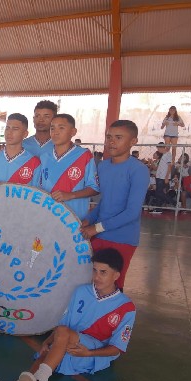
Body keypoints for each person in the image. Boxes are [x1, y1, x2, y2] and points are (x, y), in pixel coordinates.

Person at [0, 248, 135, 381]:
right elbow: (63, 324)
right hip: (69, 342)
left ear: (116, 275)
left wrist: (89, 354)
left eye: (103, 272)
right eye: (94, 270)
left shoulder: (126, 307)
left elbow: (117, 348)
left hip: (92, 352)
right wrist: (47, 341)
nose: (96, 277)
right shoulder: (81, 291)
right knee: (48, 352)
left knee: (58, 341)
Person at [80, 120, 149, 290]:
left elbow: (132, 212)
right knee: (91, 281)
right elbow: (105, 201)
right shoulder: (103, 166)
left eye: (118, 137)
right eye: (109, 137)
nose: (111, 141)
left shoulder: (138, 170)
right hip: (99, 235)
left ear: (133, 141)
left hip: (123, 238)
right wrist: (88, 220)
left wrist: (96, 228)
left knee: (113, 285)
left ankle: (112, 317)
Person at [38, 113, 99, 221]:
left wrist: (71, 195)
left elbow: (94, 188)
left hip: (74, 219)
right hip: (47, 216)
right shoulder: (44, 157)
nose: (55, 132)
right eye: (52, 128)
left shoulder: (84, 155)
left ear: (73, 132)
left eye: (61, 128)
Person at [0, 113, 41, 188]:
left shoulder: (34, 162)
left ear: (25, 134)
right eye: (7, 128)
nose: (9, 132)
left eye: (15, 129)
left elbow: (38, 192)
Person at [152, 142, 172, 213]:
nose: (158, 150)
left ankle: (172, 202)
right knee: (158, 192)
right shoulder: (163, 155)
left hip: (163, 177)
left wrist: (167, 177)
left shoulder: (168, 154)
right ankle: (158, 208)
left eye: (158, 148)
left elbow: (169, 166)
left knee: (159, 192)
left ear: (161, 148)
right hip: (159, 175)